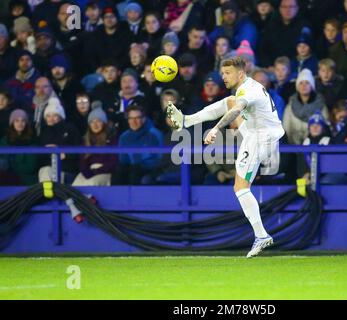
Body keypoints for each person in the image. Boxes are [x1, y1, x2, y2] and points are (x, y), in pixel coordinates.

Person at [167, 56, 286, 258]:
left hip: (261, 138)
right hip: (256, 130)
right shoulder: (243, 88)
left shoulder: (249, 90)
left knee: (240, 188)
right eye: (222, 73)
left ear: (241, 74)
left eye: (227, 73)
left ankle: (261, 235)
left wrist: (215, 129)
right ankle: (187, 120)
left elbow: (237, 111)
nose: (223, 77)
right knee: (228, 102)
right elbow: (233, 106)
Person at [112, 105, 163, 185]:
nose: (134, 121)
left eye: (137, 118)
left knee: (135, 172)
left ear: (144, 119)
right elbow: (123, 160)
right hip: (131, 167)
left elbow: (160, 159)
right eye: (131, 118)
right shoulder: (124, 137)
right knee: (118, 172)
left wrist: (141, 165)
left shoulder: (155, 134)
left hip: (150, 168)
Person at [38, 97, 82, 184]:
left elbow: (79, 150)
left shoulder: (70, 129)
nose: (51, 118)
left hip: (67, 170)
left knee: (51, 175)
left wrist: (64, 154)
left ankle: (52, 194)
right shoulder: (43, 132)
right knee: (44, 171)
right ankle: (48, 194)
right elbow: (40, 156)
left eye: (55, 115)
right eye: (48, 116)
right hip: (49, 169)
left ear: (61, 116)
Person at [73, 108, 118, 186]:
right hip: (88, 172)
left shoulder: (112, 139)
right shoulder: (86, 140)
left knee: (92, 183)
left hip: (104, 172)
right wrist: (86, 171)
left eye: (98, 121)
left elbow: (113, 162)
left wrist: (97, 171)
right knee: (75, 186)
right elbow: (82, 161)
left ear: (104, 123)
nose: (95, 125)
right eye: (92, 122)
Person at [283, 68, 329, 145]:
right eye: (301, 83)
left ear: (311, 86)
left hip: (314, 146)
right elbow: (286, 128)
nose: (304, 86)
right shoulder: (290, 106)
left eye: (307, 83)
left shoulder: (321, 106)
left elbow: (325, 127)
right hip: (293, 147)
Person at [0, 109, 39, 186]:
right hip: (5, 179)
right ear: (12, 123)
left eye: (23, 121)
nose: (20, 123)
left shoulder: (31, 141)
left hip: (26, 180)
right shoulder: (4, 140)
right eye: (16, 121)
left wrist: (10, 166)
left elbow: (31, 167)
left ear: (26, 123)